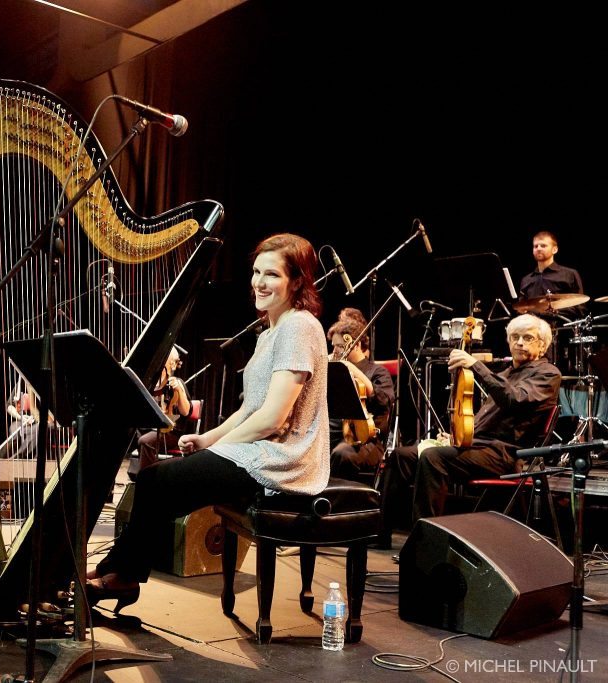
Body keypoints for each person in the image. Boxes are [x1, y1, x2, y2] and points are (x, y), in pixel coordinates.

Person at [85, 233, 330, 609]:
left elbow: (272, 418)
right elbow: (250, 411)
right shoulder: (270, 332)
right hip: (260, 452)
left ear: (297, 281)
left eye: (272, 275)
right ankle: (119, 571)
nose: (259, 283)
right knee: (156, 481)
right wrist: (208, 439)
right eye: (255, 272)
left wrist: (220, 446)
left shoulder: (300, 327)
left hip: (284, 461)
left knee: (157, 481)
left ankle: (122, 575)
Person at [380, 313, 561, 546]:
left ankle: (426, 544)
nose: (519, 343)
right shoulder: (505, 374)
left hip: (505, 454)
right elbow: (484, 421)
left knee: (433, 457)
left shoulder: (547, 374)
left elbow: (513, 400)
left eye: (528, 338)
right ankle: (379, 534)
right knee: (401, 456)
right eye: (515, 337)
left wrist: (477, 366)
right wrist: (456, 436)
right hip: (477, 446)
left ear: (543, 344)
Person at [328, 313, 394, 480]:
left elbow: (384, 400)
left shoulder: (377, 372)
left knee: (342, 454)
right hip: (330, 435)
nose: (334, 351)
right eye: (333, 346)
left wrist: (351, 368)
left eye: (340, 346)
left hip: (366, 441)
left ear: (355, 345)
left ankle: (335, 502)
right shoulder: (332, 370)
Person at [136, 346, 193, 470]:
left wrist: (179, 390)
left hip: (172, 431)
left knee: (144, 441)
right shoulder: (151, 383)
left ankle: (148, 479)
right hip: (153, 428)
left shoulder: (177, 382)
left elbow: (186, 412)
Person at [518, 231, 584, 301]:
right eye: (535, 246)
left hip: (561, 312)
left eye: (543, 246)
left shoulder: (570, 274)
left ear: (554, 250)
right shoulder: (526, 280)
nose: (538, 248)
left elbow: (580, 306)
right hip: (533, 312)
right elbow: (522, 307)